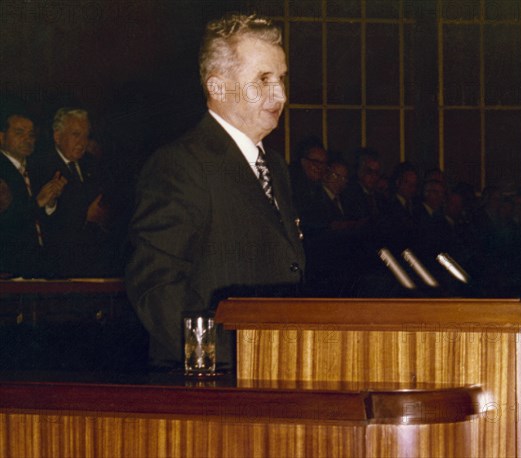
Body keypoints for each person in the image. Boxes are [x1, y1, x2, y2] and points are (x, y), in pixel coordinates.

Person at [126, 13, 305, 368]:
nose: (280, 94)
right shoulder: (180, 165)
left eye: (281, 79)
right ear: (218, 87)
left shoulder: (277, 168)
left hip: (272, 373)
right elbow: (155, 287)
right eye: (264, 80)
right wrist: (224, 358)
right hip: (214, 385)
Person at [33, 108, 115, 277]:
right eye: (76, 135)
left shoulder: (92, 164)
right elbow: (43, 218)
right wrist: (86, 215)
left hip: (94, 261)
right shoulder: (40, 166)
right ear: (57, 137)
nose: (82, 142)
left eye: (86, 136)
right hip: (58, 265)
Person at [0, 112, 67, 277]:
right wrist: (37, 202)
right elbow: (6, 222)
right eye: (19, 133)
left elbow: (47, 221)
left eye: (31, 134)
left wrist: (50, 203)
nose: (27, 139)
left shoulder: (36, 168)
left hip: (39, 265)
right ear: (1, 137)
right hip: (9, 269)